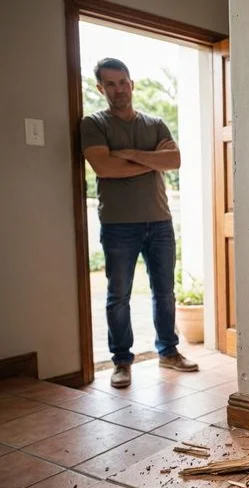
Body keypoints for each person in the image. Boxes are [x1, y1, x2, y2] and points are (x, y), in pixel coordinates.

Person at [81, 58, 198, 389]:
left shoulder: (155, 123)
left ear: (132, 84)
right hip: (119, 224)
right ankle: (121, 361)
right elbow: (104, 169)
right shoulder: (94, 124)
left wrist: (128, 152)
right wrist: (151, 160)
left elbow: (174, 160)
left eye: (123, 82)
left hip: (160, 221)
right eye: (111, 84)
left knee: (165, 292)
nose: (119, 89)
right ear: (101, 89)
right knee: (118, 295)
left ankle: (169, 352)